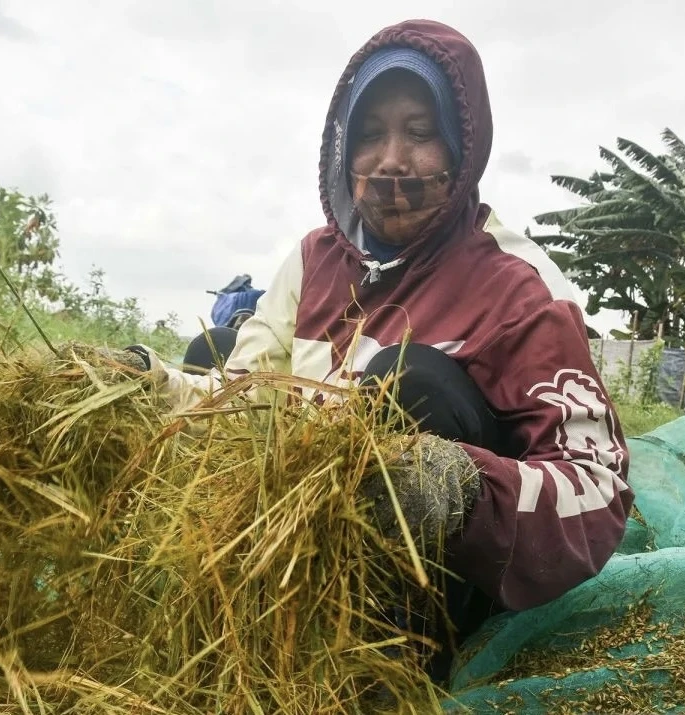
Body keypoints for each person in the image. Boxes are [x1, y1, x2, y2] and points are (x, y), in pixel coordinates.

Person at [114, 18, 633, 680]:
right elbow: (244, 392)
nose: (391, 160)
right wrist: (147, 382)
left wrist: (466, 491)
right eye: (369, 135)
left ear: (461, 146)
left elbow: (598, 485)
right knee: (208, 347)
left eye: (419, 132)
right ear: (343, 150)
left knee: (405, 380)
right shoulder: (313, 260)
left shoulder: (510, 285)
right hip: (298, 549)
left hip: (437, 577)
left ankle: (386, 669)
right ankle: (261, 620)